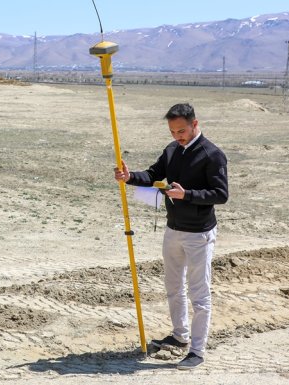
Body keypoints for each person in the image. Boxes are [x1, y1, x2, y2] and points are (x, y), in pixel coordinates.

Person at [114, 103, 228, 370]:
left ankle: (197, 351)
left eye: (181, 130)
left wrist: (186, 194)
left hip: (199, 234)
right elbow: (153, 174)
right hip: (173, 229)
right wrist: (130, 177)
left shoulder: (213, 155)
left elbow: (221, 195)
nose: (178, 136)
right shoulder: (172, 150)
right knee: (173, 287)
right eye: (173, 131)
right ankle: (180, 336)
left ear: (195, 124)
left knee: (199, 294)